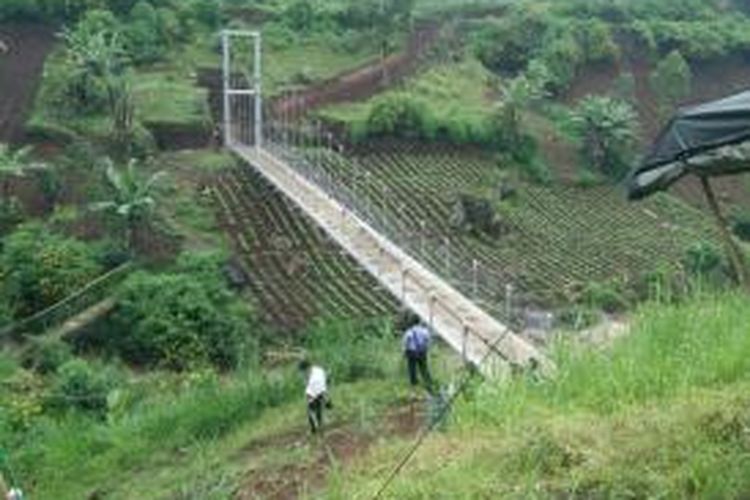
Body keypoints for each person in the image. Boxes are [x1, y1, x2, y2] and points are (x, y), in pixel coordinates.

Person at [402, 317, 434, 394]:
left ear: (411, 322)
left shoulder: (409, 332)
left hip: (411, 352)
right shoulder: (425, 331)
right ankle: (428, 383)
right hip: (422, 352)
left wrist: (404, 352)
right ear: (419, 322)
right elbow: (429, 341)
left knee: (412, 369)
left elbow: (405, 342)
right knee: (424, 368)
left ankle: (414, 384)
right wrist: (426, 348)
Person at [299, 360, 329, 434]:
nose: (303, 373)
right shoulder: (315, 371)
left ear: (307, 368)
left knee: (314, 410)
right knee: (312, 410)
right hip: (317, 391)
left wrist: (311, 399)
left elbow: (318, 387)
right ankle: (315, 428)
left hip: (319, 391)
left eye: (304, 371)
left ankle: (318, 428)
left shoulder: (316, 375)